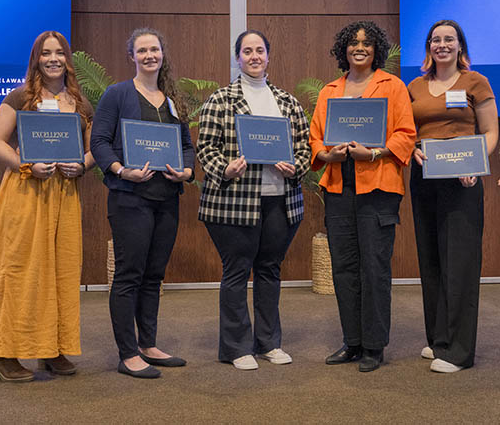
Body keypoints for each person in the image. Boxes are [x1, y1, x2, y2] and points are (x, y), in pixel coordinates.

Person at [197, 30, 311, 370]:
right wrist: (225, 169)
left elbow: (305, 146)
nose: (254, 56)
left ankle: (268, 343)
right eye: (247, 51)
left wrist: (296, 167)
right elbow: (205, 147)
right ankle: (236, 348)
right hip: (234, 202)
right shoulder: (220, 100)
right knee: (236, 272)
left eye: (259, 50)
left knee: (269, 272)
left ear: (268, 56)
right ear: (237, 58)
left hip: (280, 200)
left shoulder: (288, 102)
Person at [0, 31, 95, 382]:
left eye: (59, 53)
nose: (53, 59)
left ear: (67, 58)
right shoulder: (20, 97)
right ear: (36, 59)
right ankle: (2, 355)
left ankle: (52, 349)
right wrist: (26, 165)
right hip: (26, 193)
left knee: (61, 271)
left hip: (64, 196)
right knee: (19, 271)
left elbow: (95, 150)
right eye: (45, 53)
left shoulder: (79, 102)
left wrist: (83, 165)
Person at [309, 21, 416, 373]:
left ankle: (373, 345)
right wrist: (327, 154)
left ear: (376, 50)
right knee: (344, 268)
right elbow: (316, 138)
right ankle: (352, 341)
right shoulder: (329, 91)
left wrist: (374, 153)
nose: (360, 48)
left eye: (367, 43)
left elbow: (406, 134)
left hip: (379, 188)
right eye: (353, 43)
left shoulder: (393, 86)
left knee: (374, 268)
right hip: (339, 187)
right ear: (344, 49)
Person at [90, 28, 194, 379]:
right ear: (131, 56)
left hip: (167, 200)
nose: (150, 55)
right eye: (142, 50)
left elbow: (187, 147)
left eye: (155, 49)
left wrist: (187, 171)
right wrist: (121, 171)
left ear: (163, 53)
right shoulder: (116, 94)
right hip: (129, 198)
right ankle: (128, 353)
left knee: (154, 275)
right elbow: (100, 142)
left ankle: (148, 344)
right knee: (129, 275)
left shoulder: (172, 99)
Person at [408, 19, 499, 373]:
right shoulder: (414, 85)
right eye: (436, 39)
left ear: (460, 46)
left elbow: (491, 131)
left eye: (449, 39)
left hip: (463, 179)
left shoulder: (476, 82)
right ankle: (439, 338)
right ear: (429, 46)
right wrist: (414, 146)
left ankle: (459, 351)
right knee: (431, 259)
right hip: (425, 176)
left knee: (460, 262)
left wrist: (476, 165)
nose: (442, 44)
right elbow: (408, 130)